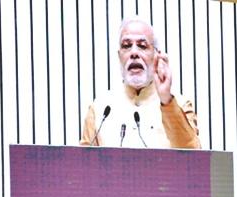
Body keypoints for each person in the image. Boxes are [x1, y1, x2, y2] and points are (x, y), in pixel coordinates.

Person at [80, 17, 200, 149]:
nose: (134, 53)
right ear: (119, 56)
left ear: (156, 55)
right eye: (126, 46)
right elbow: (83, 164)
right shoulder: (100, 109)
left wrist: (166, 100)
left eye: (142, 46)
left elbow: (193, 156)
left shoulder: (180, 105)